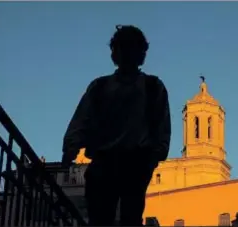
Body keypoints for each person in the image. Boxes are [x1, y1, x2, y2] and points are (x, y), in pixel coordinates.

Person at [61, 25, 171, 226]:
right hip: (106, 163)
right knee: (103, 218)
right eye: (121, 48)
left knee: (126, 218)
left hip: (135, 163)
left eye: (130, 48)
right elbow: (81, 120)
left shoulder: (153, 87)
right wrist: (71, 147)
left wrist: (153, 157)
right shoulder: (100, 87)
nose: (124, 53)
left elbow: (162, 127)